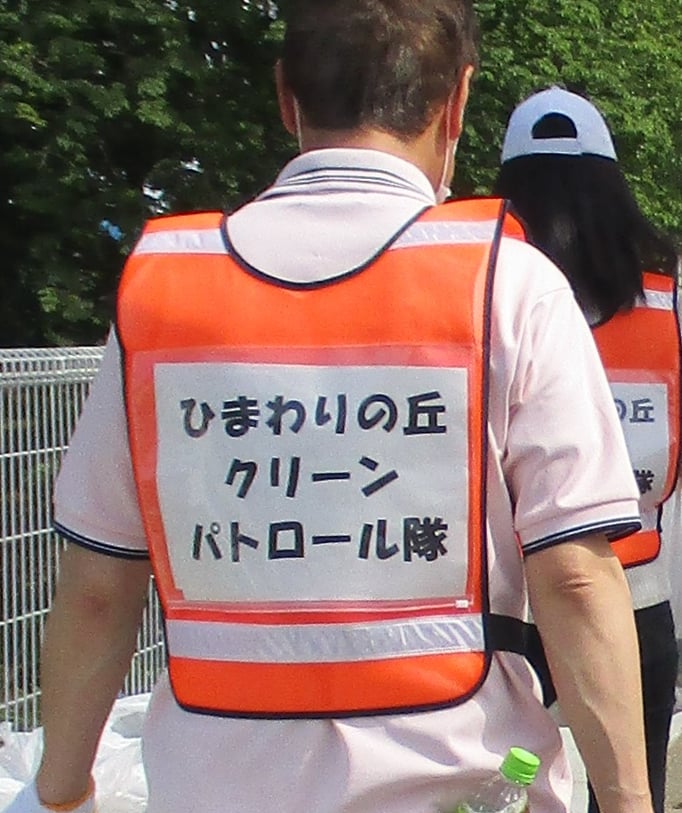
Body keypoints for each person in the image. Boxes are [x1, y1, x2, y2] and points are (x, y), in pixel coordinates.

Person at [5, 6, 653, 813]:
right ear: (456, 102)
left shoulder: (165, 295)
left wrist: (60, 791)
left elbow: (98, 587)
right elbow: (575, 578)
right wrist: (629, 802)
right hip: (459, 789)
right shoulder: (507, 283)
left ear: (286, 97)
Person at [494, 85, 681, 813]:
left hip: (504, 616)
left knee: (494, 799)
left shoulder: (487, 301)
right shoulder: (668, 304)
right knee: (629, 797)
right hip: (635, 606)